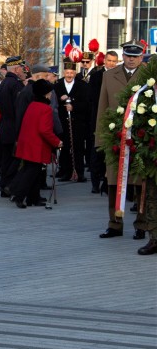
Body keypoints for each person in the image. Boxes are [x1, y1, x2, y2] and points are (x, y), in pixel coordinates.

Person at [95, 40, 147, 240]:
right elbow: (102, 107)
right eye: (128, 56)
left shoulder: (148, 76)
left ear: (142, 57)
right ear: (123, 56)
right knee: (113, 182)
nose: (132, 59)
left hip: (141, 138)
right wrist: (100, 139)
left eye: (136, 56)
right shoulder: (109, 75)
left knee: (140, 183)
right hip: (114, 137)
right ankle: (114, 224)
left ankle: (141, 225)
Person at [9, 80, 62, 208]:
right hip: (36, 146)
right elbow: (45, 130)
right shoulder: (45, 108)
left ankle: (34, 198)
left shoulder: (32, 104)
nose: (50, 95)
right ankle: (20, 196)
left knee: (34, 172)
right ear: (45, 94)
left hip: (27, 143)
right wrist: (57, 142)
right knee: (31, 173)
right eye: (49, 93)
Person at [88, 51, 118, 193]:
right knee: (96, 152)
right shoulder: (96, 76)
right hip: (98, 118)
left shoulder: (119, 76)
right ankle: (95, 183)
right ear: (105, 61)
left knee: (111, 153)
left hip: (115, 119)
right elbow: (93, 98)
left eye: (114, 61)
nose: (112, 63)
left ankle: (107, 183)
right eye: (109, 60)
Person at [0, 56, 26, 196]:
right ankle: (5, 184)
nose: (22, 70)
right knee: (14, 158)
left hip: (5, 126)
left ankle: (4, 186)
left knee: (7, 158)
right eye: (20, 68)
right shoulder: (15, 84)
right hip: (14, 126)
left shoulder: (4, 83)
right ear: (16, 68)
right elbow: (18, 108)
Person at [55, 60, 89, 182]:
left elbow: (86, 104)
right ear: (64, 72)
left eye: (72, 73)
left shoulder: (82, 85)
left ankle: (79, 173)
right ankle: (65, 172)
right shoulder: (57, 85)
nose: (69, 75)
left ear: (75, 73)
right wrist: (61, 100)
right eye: (67, 72)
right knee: (64, 148)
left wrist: (73, 106)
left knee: (78, 148)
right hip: (63, 123)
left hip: (77, 123)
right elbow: (54, 104)